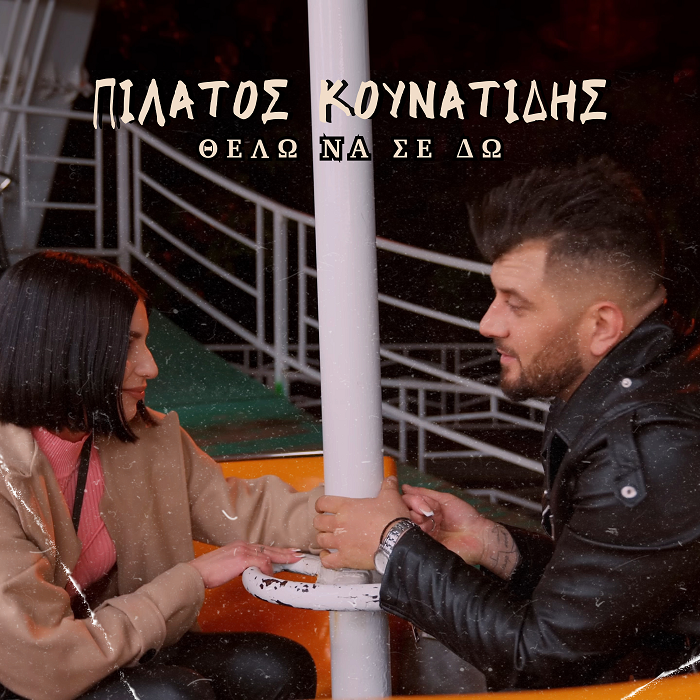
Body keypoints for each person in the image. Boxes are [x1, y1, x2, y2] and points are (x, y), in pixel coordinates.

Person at [314, 157, 700, 690]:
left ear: (601, 324)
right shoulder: (648, 381)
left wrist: (392, 542)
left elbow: (539, 659)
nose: (487, 323)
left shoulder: (650, 444)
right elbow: (621, 595)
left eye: (515, 304)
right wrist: (492, 543)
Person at [0, 252, 321, 700]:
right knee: (173, 695)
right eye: (127, 344)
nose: (150, 366)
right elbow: (44, 663)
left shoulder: (143, 436)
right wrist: (192, 577)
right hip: (34, 675)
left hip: (115, 645)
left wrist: (379, 519)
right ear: (64, 348)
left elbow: (248, 512)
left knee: (276, 670)